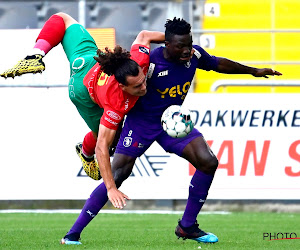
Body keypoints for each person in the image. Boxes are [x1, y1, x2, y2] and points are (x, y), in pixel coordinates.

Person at [58, 17, 282, 245]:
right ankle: (72, 234)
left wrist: (253, 71)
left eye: (189, 43)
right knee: (116, 177)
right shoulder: (149, 64)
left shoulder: (193, 55)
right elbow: (140, 46)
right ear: (166, 44)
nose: (187, 50)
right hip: (140, 125)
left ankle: (187, 226)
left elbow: (217, 63)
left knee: (208, 162)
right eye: (180, 46)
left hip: (172, 123)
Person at [1, 13, 164, 183]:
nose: (143, 86)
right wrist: (110, 188)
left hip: (87, 59)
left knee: (62, 18)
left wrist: (178, 39)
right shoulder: (115, 105)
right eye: (137, 86)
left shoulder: (139, 64)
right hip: (81, 91)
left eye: (143, 81)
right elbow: (101, 145)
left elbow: (145, 36)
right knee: (110, 137)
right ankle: (85, 153)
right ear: (123, 87)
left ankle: (35, 55)